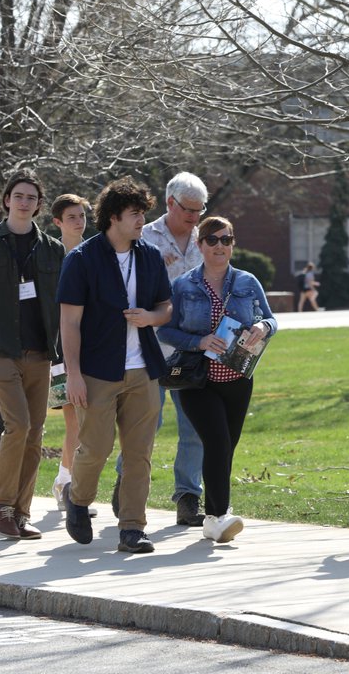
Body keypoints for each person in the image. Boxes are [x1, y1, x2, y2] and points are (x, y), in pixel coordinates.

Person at [58, 177, 172, 553]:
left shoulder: (150, 256)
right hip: (96, 371)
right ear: (113, 217)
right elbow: (69, 323)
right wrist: (73, 375)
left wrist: (150, 319)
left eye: (143, 213)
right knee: (95, 448)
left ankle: (132, 528)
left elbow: (165, 308)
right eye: (134, 214)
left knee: (139, 453)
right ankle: (77, 498)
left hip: (144, 370)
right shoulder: (81, 260)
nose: (142, 220)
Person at [0, 170, 65, 539]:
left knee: (35, 432)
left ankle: (20, 512)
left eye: (31, 198)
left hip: (40, 352)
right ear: (6, 200)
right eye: (18, 196)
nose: (24, 202)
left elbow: (63, 306)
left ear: (38, 205)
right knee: (17, 424)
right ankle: (0, 505)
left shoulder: (53, 249)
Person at [158, 216, 277, 543]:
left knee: (226, 448)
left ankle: (215, 514)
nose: (220, 246)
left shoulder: (247, 281)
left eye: (226, 239)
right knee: (217, 442)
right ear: (200, 245)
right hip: (198, 379)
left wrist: (263, 328)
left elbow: (269, 317)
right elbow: (165, 329)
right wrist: (199, 341)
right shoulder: (184, 285)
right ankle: (217, 515)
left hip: (238, 377)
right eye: (212, 240)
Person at [112, 171, 208, 526]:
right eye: (188, 210)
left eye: (200, 210)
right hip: (149, 348)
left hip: (192, 351)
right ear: (170, 203)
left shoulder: (204, 239)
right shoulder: (144, 236)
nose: (195, 217)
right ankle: (126, 484)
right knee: (145, 425)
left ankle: (188, 496)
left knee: (193, 426)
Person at [48, 193, 97, 517]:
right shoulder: (49, 256)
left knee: (84, 421)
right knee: (72, 420)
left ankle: (65, 480)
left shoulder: (95, 254)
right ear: (57, 222)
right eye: (71, 217)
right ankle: (67, 484)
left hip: (91, 346)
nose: (78, 222)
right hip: (56, 349)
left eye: (82, 216)